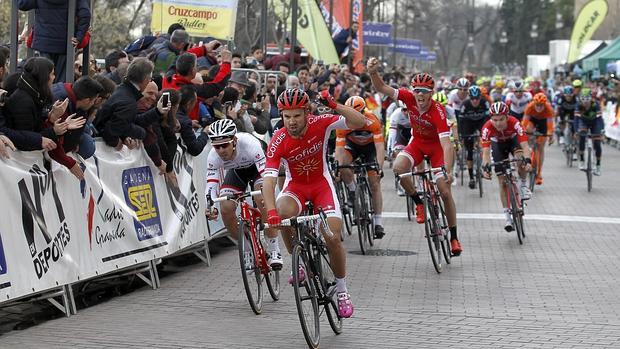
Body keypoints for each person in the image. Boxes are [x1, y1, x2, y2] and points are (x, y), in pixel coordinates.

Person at [262, 88, 366, 318]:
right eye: (286, 116)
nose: (291, 121)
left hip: (321, 186)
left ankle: (342, 291)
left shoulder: (321, 123)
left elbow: (360, 122)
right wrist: (271, 212)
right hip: (296, 188)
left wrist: (334, 104)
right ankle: (298, 263)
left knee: (331, 236)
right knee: (281, 214)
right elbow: (268, 182)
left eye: (297, 115)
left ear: (307, 112)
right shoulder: (278, 139)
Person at [367, 57, 463, 256]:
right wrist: (373, 72)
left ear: (431, 94)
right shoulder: (408, 98)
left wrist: (447, 170)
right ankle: (418, 202)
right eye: (416, 90)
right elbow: (382, 88)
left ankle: (453, 237)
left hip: (437, 149)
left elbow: (447, 144)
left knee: (445, 192)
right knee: (398, 168)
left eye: (424, 92)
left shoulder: (438, 111)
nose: (419, 95)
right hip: (417, 143)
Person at [204, 119, 282, 269]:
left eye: (224, 145)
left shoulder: (250, 144)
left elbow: (267, 177)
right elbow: (211, 185)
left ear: (234, 140)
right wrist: (210, 206)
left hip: (258, 169)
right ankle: (247, 247)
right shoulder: (213, 156)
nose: (221, 150)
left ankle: (273, 248)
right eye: (216, 146)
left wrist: (268, 195)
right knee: (225, 208)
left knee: (261, 198)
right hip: (237, 172)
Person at [94, 58, 171, 165]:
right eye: (150, 79)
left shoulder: (123, 91)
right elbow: (111, 131)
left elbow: (131, 120)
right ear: (145, 80)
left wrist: (157, 111)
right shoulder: (127, 101)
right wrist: (118, 142)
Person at [4, 57, 84, 152]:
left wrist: (52, 117)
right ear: (44, 77)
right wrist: (54, 131)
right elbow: (26, 139)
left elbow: (36, 131)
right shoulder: (23, 101)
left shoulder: (35, 95)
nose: (54, 78)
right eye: (52, 74)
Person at [335, 96, 385, 238]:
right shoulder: (343, 124)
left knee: (374, 183)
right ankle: (352, 190)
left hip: (370, 149)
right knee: (343, 165)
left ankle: (378, 222)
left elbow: (380, 147)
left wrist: (379, 167)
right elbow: (339, 150)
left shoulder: (372, 120)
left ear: (364, 111)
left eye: (358, 113)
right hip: (353, 147)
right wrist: (338, 168)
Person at [481, 102, 532, 231]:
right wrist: (486, 168)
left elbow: (525, 146)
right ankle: (507, 217)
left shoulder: (515, 123)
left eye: (501, 119)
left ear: (507, 117)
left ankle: (524, 185)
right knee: (502, 182)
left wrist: (528, 161)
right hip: (498, 145)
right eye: (495, 120)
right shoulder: (487, 128)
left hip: (513, 141)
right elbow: (486, 153)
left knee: (521, 160)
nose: (498, 123)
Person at [18, 0, 91, 83]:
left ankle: (45, 94)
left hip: (44, 43)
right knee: (61, 80)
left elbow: (22, 4)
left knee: (44, 77)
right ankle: (58, 95)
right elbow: (85, 15)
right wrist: (78, 37)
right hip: (65, 44)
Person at [50, 76, 104, 179]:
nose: (93, 104)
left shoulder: (69, 92)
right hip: (50, 140)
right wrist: (70, 159)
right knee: (88, 145)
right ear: (87, 100)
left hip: (60, 135)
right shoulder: (61, 104)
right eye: (93, 101)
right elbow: (55, 141)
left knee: (88, 131)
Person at [459, 85, 490, 189]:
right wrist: (461, 135)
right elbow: (461, 122)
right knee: (470, 152)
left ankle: (482, 159)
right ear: (469, 98)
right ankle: (471, 177)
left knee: (484, 141)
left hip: (481, 123)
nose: (475, 101)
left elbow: (488, 120)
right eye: (472, 98)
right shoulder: (465, 105)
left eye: (477, 99)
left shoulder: (485, 103)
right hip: (468, 124)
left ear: (480, 97)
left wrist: (486, 134)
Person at [522, 92, 554, 185]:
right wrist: (522, 134)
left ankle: (539, 174)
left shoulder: (549, 109)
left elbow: (550, 126)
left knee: (540, 147)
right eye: (537, 105)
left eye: (541, 105)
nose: (539, 107)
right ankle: (528, 150)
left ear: (545, 105)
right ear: (534, 104)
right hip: (532, 120)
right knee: (527, 130)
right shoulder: (529, 107)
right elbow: (524, 123)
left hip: (543, 123)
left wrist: (550, 135)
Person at [575, 93, 604, 175]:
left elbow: (600, 119)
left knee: (597, 144)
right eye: (584, 102)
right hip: (583, 122)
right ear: (581, 101)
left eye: (587, 102)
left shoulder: (596, 105)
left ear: (591, 100)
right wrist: (576, 131)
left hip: (595, 122)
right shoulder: (578, 105)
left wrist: (602, 130)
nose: (586, 104)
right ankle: (581, 159)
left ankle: (598, 165)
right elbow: (576, 119)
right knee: (582, 135)